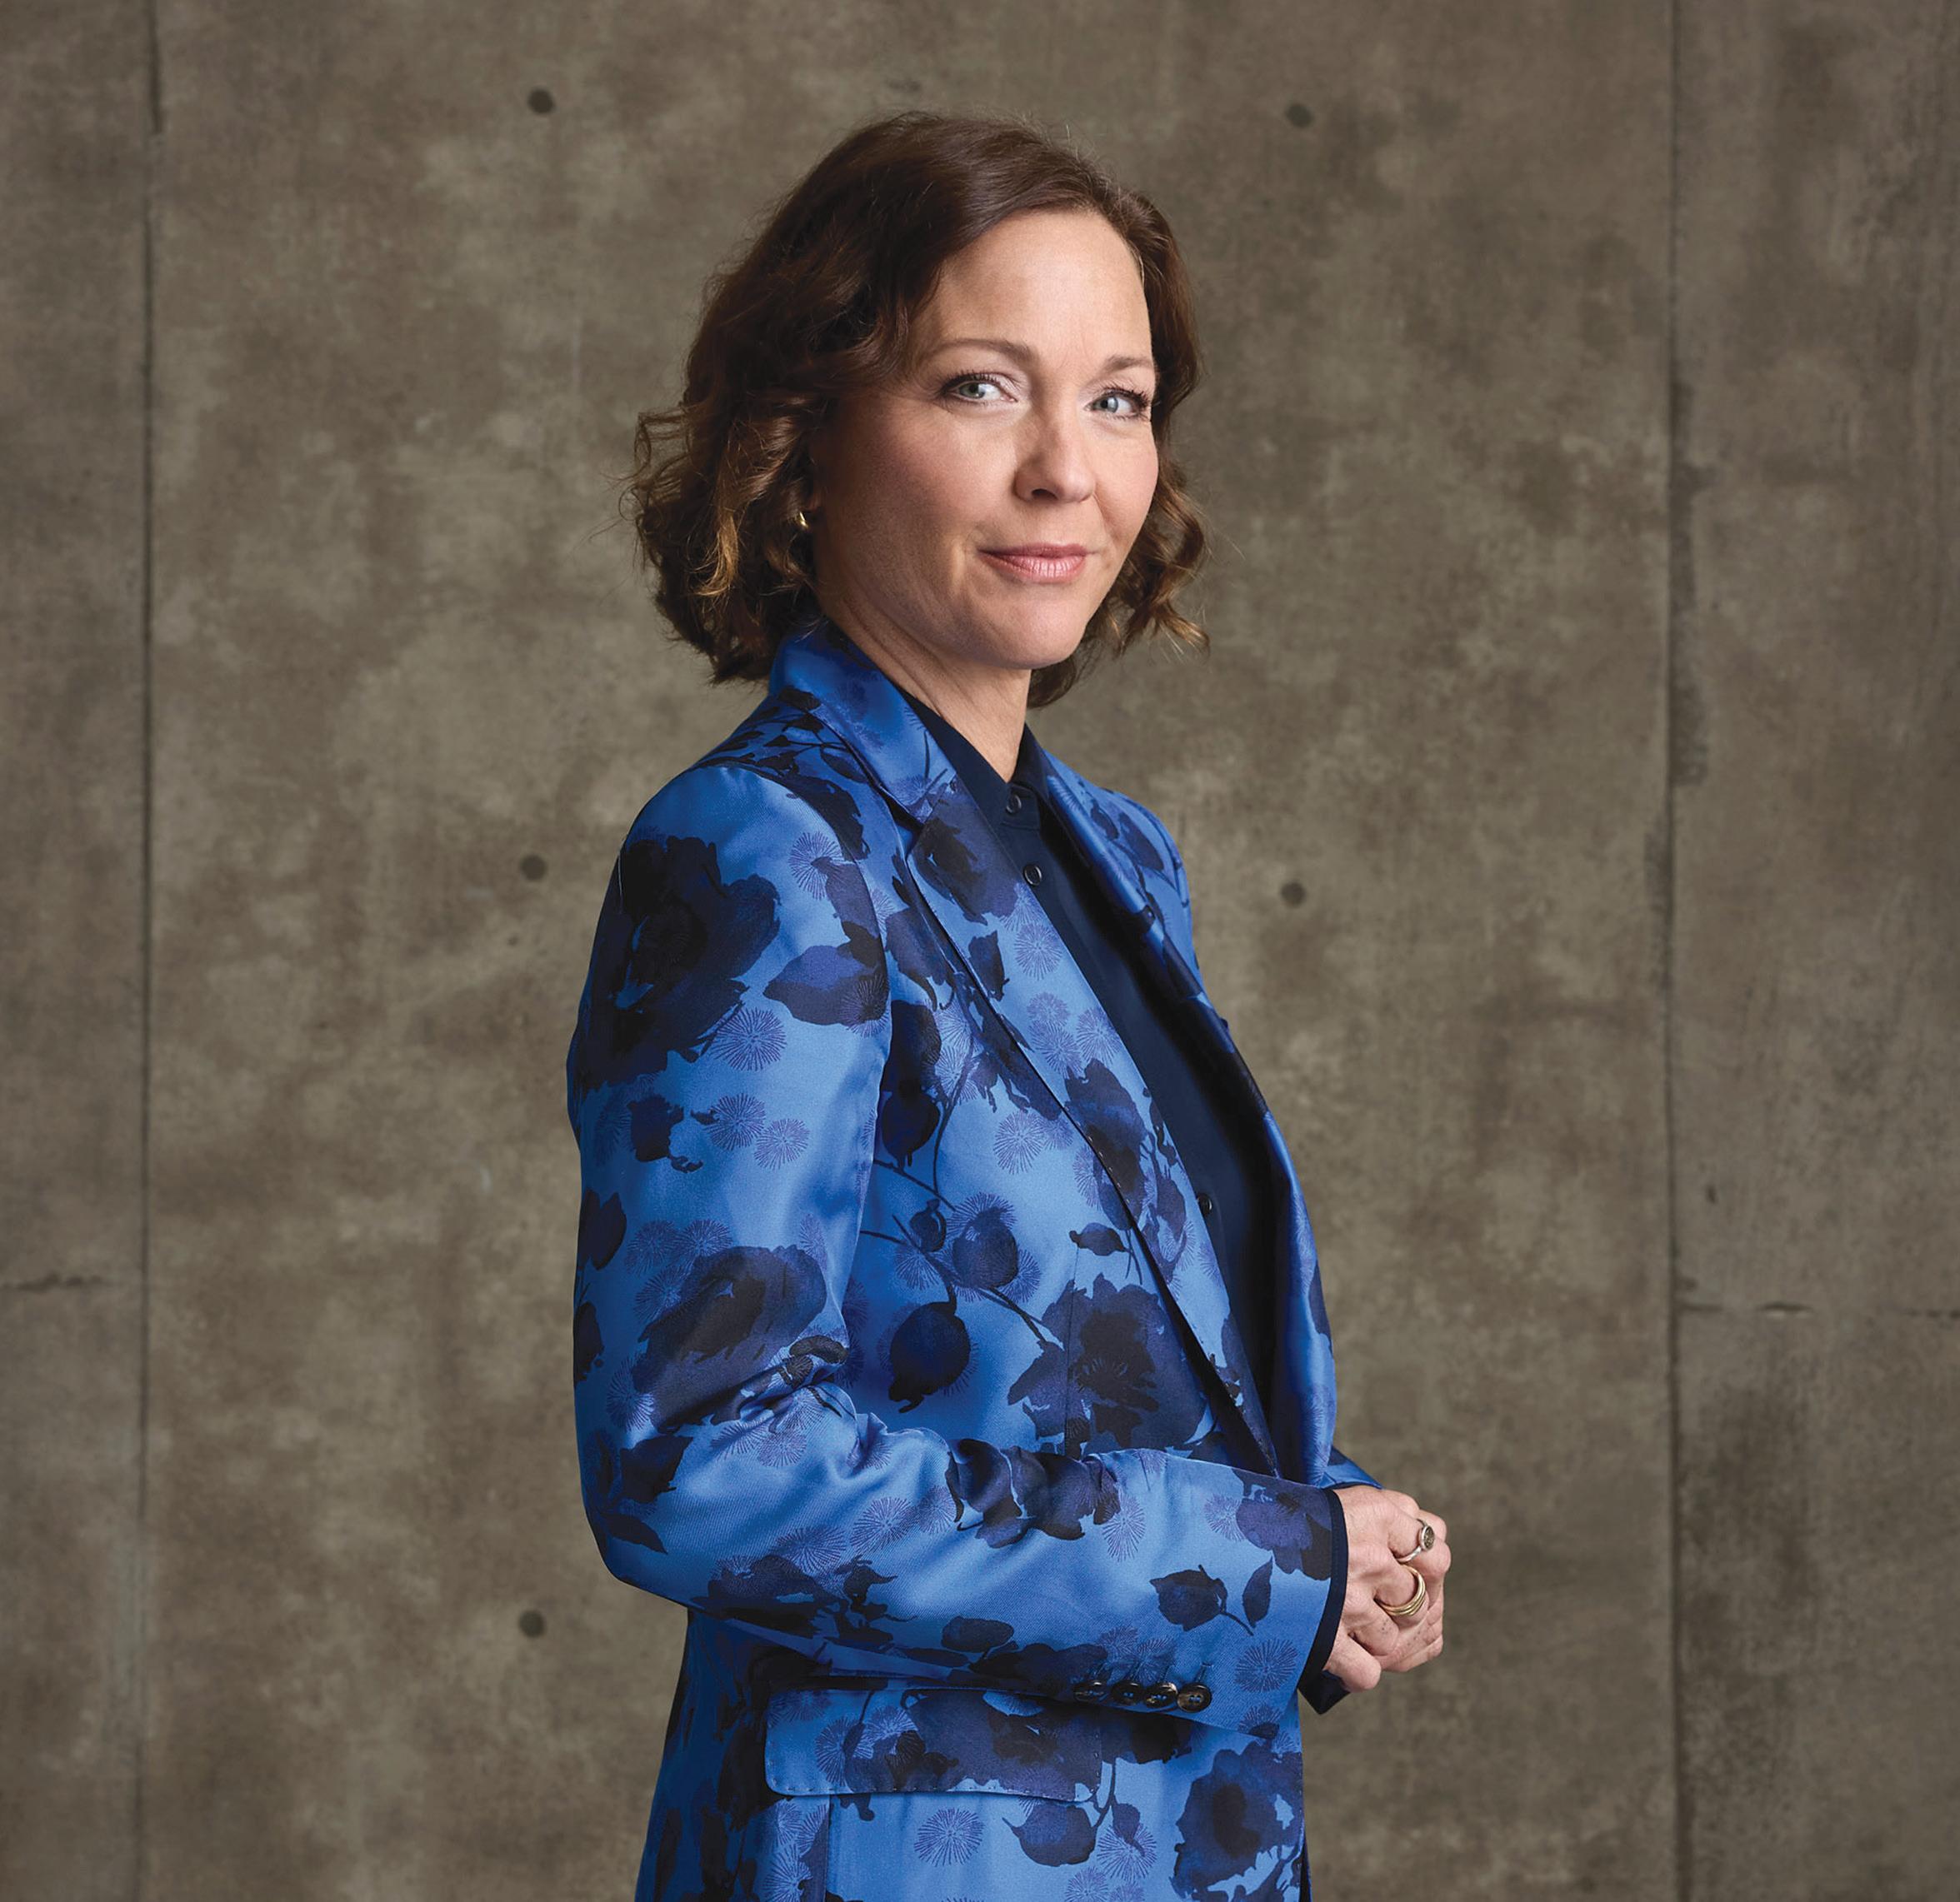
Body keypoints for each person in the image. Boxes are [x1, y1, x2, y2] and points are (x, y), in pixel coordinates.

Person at [566, 108, 1451, 1902]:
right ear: (806, 436)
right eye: (982, 388)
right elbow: (701, 1458)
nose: (1067, 471)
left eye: (1118, 400)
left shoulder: (1114, 852)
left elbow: (1091, 1361)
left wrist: (1335, 1539)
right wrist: (1265, 1562)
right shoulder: (764, 847)